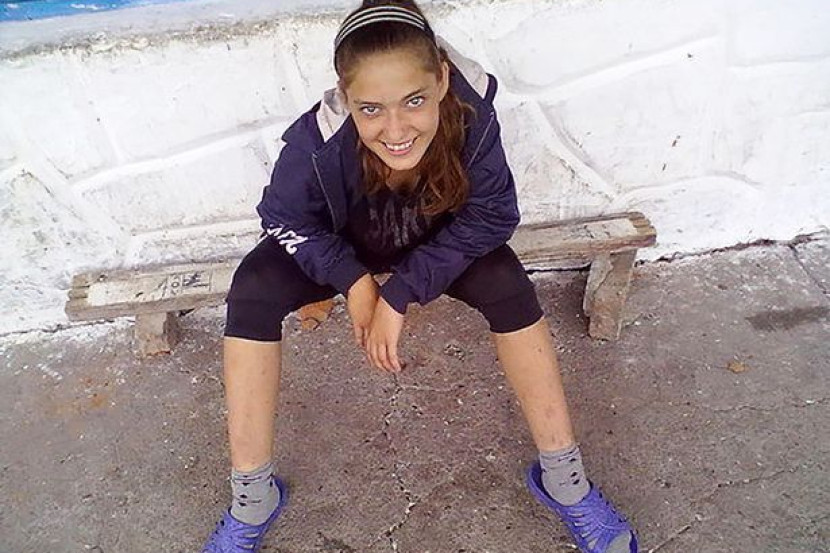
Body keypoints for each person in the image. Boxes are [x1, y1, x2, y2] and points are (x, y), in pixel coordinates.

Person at [201, 2, 638, 552]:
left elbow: (493, 215)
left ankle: (565, 481)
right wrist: (355, 281)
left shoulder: (472, 114)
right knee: (253, 288)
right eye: (371, 109)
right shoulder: (316, 141)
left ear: (442, 80)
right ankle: (252, 498)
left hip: (434, 245)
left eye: (414, 101)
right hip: (348, 248)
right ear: (345, 98)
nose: (396, 129)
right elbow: (281, 217)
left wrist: (402, 291)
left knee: (508, 284)